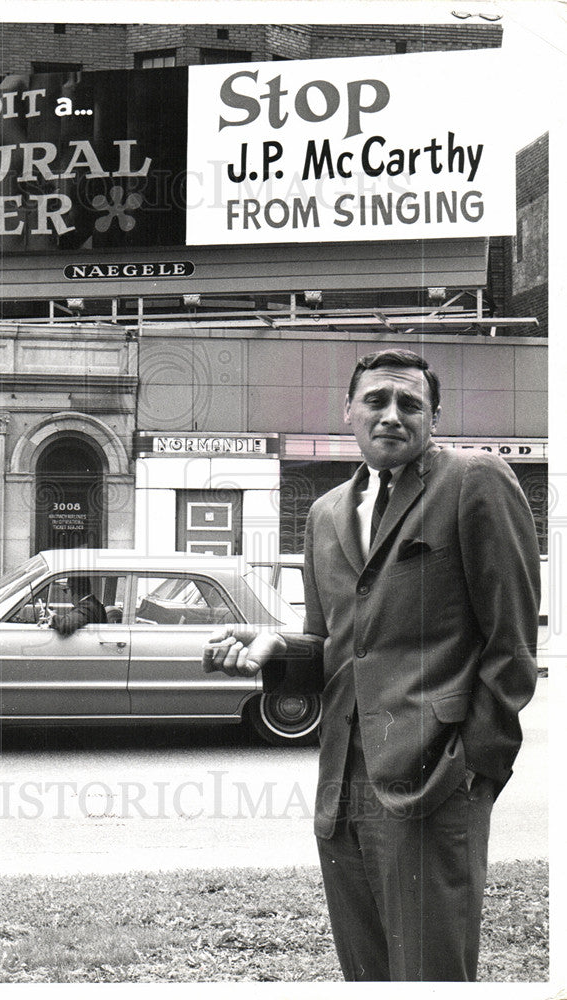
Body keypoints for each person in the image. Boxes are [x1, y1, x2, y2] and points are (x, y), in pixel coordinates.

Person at [203, 348, 540, 982]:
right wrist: (277, 648)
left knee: (431, 977)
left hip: (437, 781)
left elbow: (512, 643)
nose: (391, 415)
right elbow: (333, 646)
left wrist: (476, 769)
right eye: (375, 401)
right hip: (343, 788)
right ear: (349, 412)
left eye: (409, 403)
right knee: (366, 977)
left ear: (433, 416)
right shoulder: (326, 513)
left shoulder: (475, 481)